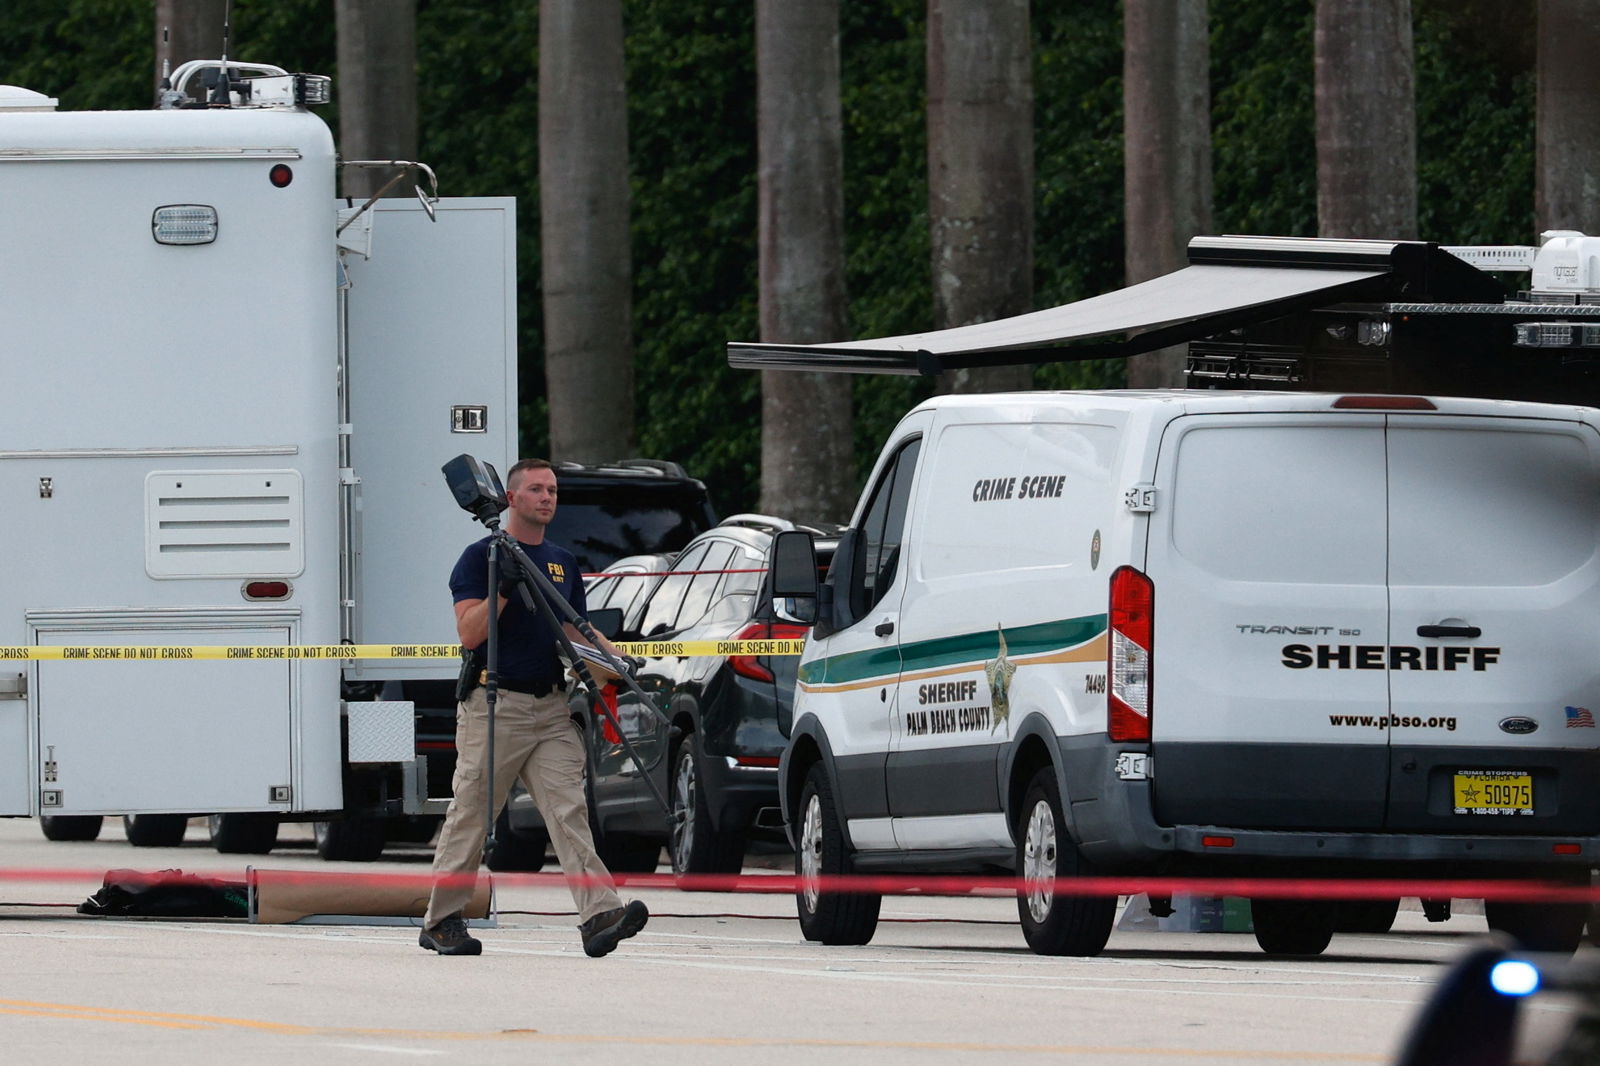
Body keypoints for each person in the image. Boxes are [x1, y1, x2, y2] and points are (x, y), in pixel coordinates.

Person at [419, 458, 649, 957]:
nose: (547, 497)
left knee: (569, 811)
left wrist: (619, 662)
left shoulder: (563, 562)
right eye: (537, 489)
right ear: (512, 497)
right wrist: (502, 587)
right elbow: (470, 633)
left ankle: (599, 915)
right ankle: (442, 920)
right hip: (493, 705)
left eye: (553, 490)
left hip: (550, 707)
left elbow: (573, 631)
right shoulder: (479, 556)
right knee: (473, 815)